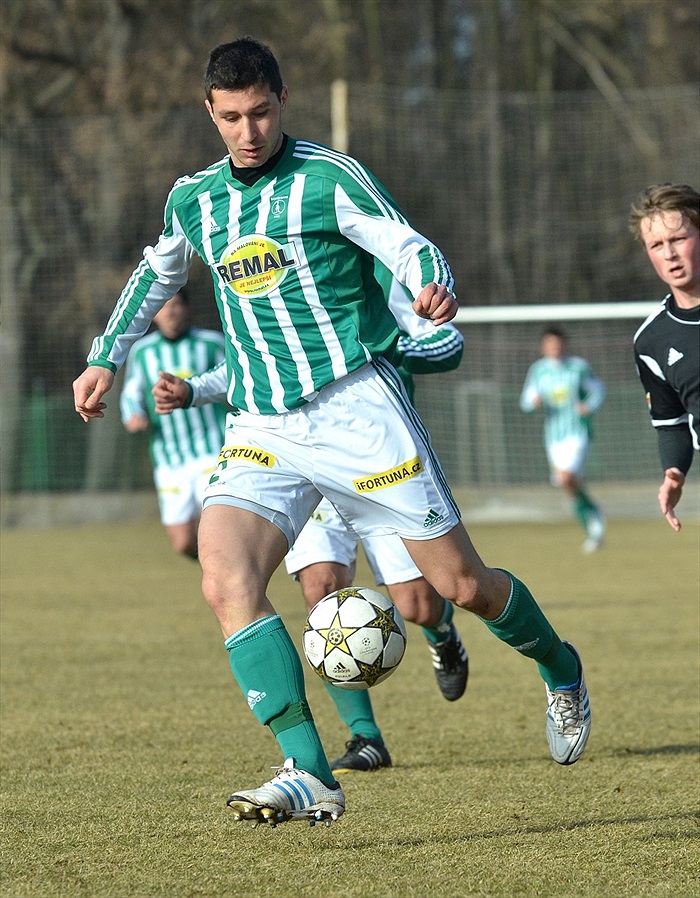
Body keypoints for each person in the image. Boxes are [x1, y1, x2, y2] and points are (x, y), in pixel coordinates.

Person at [73, 37, 591, 829]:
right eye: (231, 117)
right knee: (224, 579)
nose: (248, 131)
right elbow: (157, 273)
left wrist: (430, 285)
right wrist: (107, 356)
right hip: (263, 425)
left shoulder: (327, 177)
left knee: (459, 587)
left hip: (357, 410)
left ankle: (559, 665)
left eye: (262, 112)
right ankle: (312, 771)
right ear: (210, 113)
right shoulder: (194, 199)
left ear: (283, 100)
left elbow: (404, 242)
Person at [152, 281, 469, 775]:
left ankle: (442, 632)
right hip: (295, 457)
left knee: (417, 604)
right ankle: (365, 737)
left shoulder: (385, 285)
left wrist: (381, 347)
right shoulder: (286, 287)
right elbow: (247, 366)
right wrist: (193, 390)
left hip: (375, 456)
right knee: (322, 593)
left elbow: (448, 343)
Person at [119, 289, 227, 558]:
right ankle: (218, 570)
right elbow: (131, 393)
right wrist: (133, 415)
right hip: (169, 457)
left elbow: (233, 380)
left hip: (212, 450)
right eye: (163, 307)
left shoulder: (212, 343)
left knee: (217, 532)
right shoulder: (142, 351)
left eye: (176, 305)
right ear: (154, 314)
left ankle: (224, 575)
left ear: (187, 308)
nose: (170, 312)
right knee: (182, 543)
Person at [630, 183, 699, 532]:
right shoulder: (651, 340)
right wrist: (674, 471)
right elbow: (671, 423)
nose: (669, 253)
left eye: (679, 239)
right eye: (657, 244)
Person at [519, 327, 607, 553]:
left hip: (577, 433)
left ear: (564, 345)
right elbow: (526, 401)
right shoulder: (538, 371)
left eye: (558, 344)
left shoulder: (578, 367)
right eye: (550, 344)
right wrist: (533, 402)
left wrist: (588, 405)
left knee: (568, 477)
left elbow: (598, 389)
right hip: (553, 437)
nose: (555, 348)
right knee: (568, 484)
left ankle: (593, 522)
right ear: (544, 347)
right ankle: (592, 515)